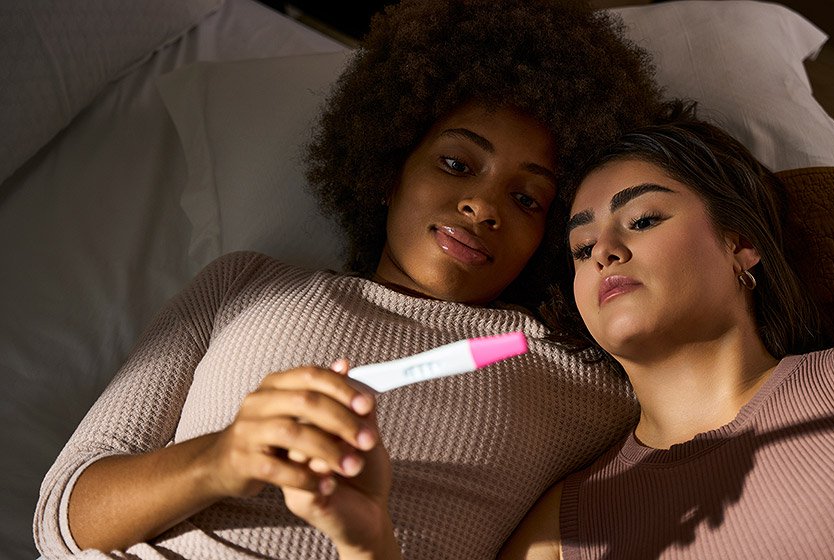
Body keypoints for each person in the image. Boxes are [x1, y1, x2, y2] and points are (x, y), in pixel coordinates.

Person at [34, 1, 692, 558]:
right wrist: (221, 460)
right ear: (390, 167)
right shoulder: (244, 285)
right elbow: (64, 519)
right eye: (458, 163)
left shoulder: (590, 385)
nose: (484, 206)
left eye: (527, 201)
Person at [498, 120, 834, 559]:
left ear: (739, 243)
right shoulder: (561, 531)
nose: (604, 251)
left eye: (644, 220)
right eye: (581, 249)